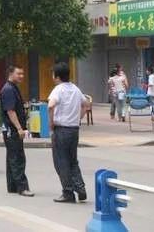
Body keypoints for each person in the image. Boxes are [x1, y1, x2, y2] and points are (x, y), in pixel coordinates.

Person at [48, 62, 89, 203]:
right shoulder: (76, 89)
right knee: (73, 160)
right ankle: (80, 187)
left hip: (61, 129)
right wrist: (78, 118)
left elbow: (51, 105)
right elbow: (86, 104)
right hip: (74, 129)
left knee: (61, 162)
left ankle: (68, 192)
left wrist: (51, 123)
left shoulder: (58, 90)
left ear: (57, 76)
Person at [0, 65, 34, 197]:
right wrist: (19, 128)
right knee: (18, 158)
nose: (21, 76)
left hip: (11, 129)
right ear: (11, 74)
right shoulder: (8, 89)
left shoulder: (13, 88)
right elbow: (10, 111)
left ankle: (13, 186)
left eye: (22, 74)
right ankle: (22, 187)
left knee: (12, 158)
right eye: (18, 74)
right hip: (12, 129)